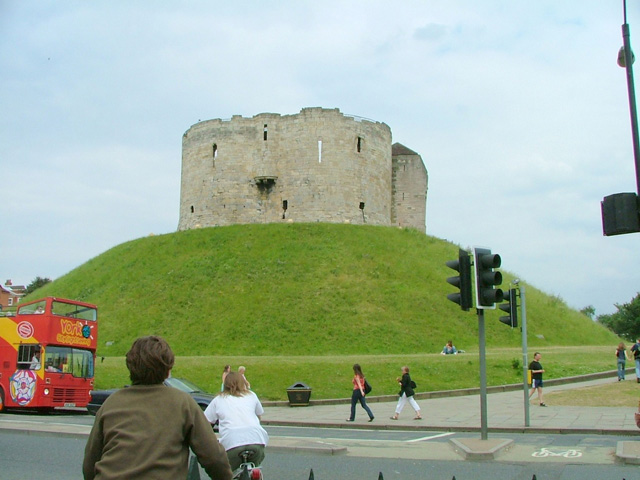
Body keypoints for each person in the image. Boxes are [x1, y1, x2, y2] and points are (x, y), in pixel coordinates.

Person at [83, 336, 232, 480]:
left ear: (130, 367)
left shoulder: (111, 403)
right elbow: (214, 458)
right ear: (168, 369)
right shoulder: (183, 403)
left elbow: (90, 463)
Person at [204, 371, 269, 472]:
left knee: (225, 473)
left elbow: (206, 423)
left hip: (232, 443)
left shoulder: (218, 400)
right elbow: (259, 415)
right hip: (257, 440)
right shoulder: (251, 395)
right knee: (254, 469)